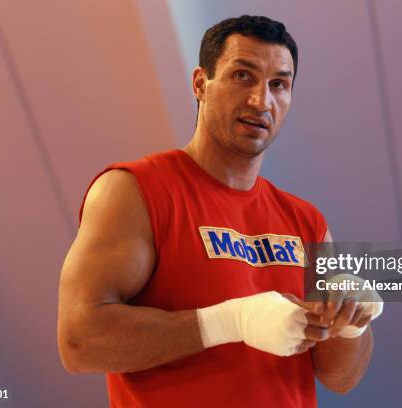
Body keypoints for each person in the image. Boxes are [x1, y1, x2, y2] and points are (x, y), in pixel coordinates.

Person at [57, 15, 382, 407]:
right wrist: (230, 322)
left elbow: (340, 378)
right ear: (200, 84)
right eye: (243, 76)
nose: (261, 100)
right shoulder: (134, 190)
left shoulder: (305, 220)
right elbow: (79, 341)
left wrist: (351, 322)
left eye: (278, 84)